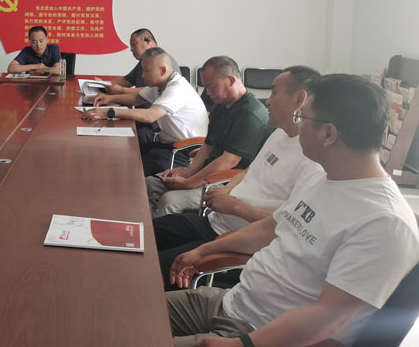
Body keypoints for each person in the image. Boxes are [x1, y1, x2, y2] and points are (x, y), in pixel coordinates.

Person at [167, 74, 419, 347]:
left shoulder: (385, 222)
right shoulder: (326, 180)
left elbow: (329, 319)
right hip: (231, 302)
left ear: (328, 134)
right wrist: (203, 251)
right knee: (135, 311)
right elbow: (269, 229)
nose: (297, 125)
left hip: (259, 335)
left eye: (302, 117)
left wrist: (242, 344)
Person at [155, 66, 323, 290]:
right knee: (147, 234)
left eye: (274, 92)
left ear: (299, 99)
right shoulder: (279, 134)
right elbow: (247, 171)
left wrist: (233, 206)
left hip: (235, 242)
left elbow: (287, 225)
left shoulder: (313, 160)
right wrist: (225, 192)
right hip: (214, 221)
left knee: (151, 267)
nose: (268, 101)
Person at [146, 56, 269, 218]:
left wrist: (189, 183)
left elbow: (229, 161)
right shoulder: (221, 105)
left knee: (170, 201)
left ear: (231, 80)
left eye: (212, 87)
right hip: (207, 174)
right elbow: (208, 146)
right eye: (206, 87)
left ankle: (159, 231)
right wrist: (188, 172)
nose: (208, 93)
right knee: (149, 183)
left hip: (227, 182)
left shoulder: (250, 114)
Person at [85, 48, 208, 175]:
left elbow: (150, 116)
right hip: (167, 143)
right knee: (126, 154)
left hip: (185, 150)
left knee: (131, 169)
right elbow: (136, 99)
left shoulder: (177, 89)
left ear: (163, 70)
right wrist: (109, 98)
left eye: (146, 71)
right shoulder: (161, 84)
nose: (142, 76)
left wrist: (109, 112)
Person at [105, 29, 179, 97]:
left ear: (147, 39)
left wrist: (122, 90)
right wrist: (103, 84)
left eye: (134, 44)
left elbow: (151, 91)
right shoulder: (144, 61)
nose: (131, 49)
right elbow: (126, 81)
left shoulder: (163, 60)